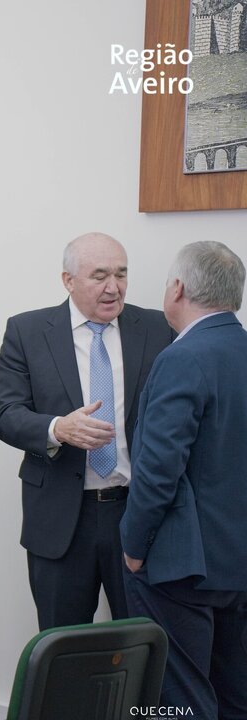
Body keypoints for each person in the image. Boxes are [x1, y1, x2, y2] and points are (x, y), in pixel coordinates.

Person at [0, 232, 173, 630]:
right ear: (68, 280)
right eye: (100, 275)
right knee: (63, 647)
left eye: (121, 274)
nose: (114, 287)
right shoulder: (27, 331)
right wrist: (58, 428)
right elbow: (6, 415)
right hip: (60, 520)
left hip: (136, 513)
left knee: (143, 641)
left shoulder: (157, 328)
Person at [121, 241, 247, 718]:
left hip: (181, 568)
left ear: (177, 288)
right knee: (235, 696)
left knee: (179, 701)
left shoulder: (182, 357)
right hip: (238, 563)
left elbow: (158, 470)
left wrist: (134, 546)